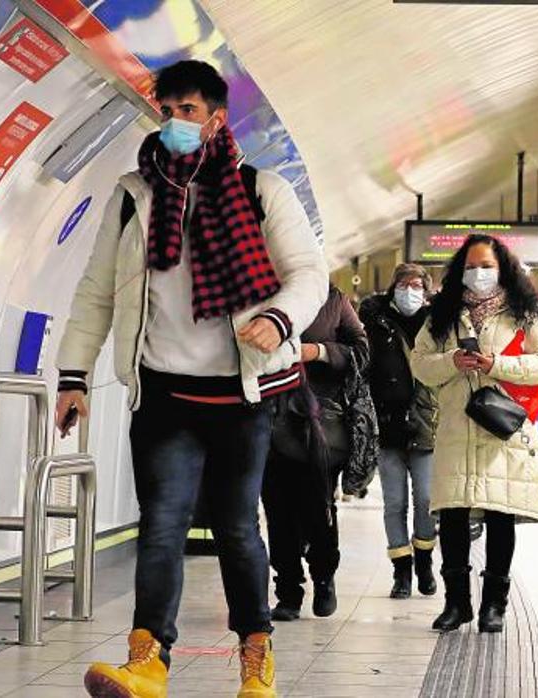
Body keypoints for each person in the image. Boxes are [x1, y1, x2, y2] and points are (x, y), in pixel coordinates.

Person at [54, 60, 327, 698]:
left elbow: (308, 273)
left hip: (240, 396)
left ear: (217, 119)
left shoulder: (262, 190)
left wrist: (280, 320)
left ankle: (256, 660)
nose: (175, 123)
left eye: (189, 112)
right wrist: (73, 375)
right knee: (162, 525)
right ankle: (148, 662)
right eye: (167, 110)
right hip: (164, 393)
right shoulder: (135, 195)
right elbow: (98, 290)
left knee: (236, 529)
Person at [409, 235, 538, 633]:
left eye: (487, 266)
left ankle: (495, 606)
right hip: (458, 429)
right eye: (472, 266)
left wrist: (497, 364)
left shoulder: (525, 314)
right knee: (453, 518)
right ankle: (456, 604)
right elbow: (420, 365)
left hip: (503, 431)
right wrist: (451, 361)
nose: (479, 274)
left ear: (503, 269)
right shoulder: (441, 314)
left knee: (500, 516)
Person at [262, 285, 373, 621]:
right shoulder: (260, 293)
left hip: (321, 423)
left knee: (317, 506)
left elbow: (361, 350)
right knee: (278, 511)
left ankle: (324, 577)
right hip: (267, 417)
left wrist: (318, 351)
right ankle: (288, 591)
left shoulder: (331, 299)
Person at [360, 264, 440, 599]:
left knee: (425, 499)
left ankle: (424, 560)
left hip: (425, 424)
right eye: (404, 284)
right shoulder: (375, 323)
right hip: (387, 425)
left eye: (417, 284)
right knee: (394, 503)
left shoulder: (437, 322)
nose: (410, 290)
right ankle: (401, 572)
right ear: (393, 287)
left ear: (426, 289)